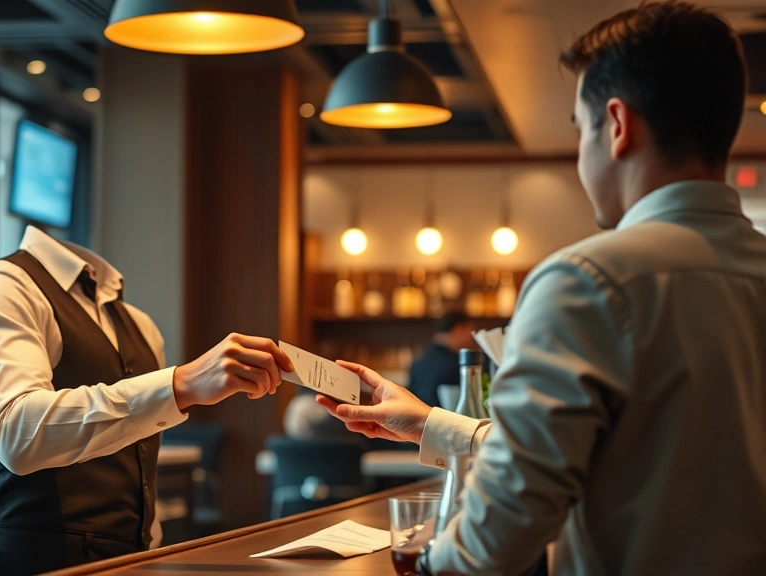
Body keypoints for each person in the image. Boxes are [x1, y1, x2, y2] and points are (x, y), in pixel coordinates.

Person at [317, 3, 766, 575]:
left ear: (619, 125)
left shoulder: (584, 281)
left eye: (581, 131)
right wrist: (430, 423)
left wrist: (428, 564)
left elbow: (500, 529)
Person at [0, 226, 294, 575]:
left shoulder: (142, 327)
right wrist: (179, 384)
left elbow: (141, 480)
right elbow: (17, 433)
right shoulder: (1, 287)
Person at [407, 312, 474, 408]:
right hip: (446, 422)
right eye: (469, 331)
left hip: (419, 420)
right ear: (459, 330)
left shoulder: (419, 361)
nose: (470, 337)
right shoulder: (457, 364)